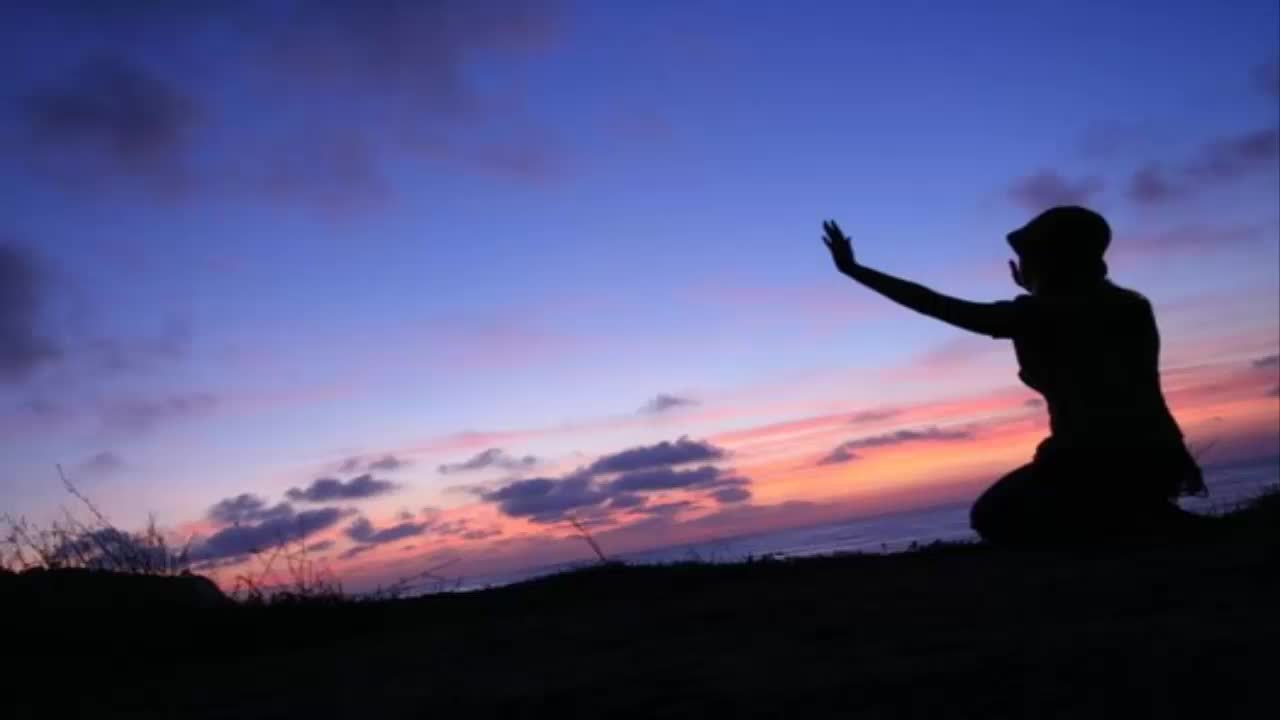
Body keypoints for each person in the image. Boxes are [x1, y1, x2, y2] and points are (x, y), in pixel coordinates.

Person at [820, 206, 1207, 546]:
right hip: (1158, 455)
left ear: (1049, 261)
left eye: (1028, 257)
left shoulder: (1037, 315)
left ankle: (1132, 523)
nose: (1020, 264)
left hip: (1096, 460)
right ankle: (1140, 513)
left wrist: (855, 271)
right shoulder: (1130, 306)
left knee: (992, 516)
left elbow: (934, 305)